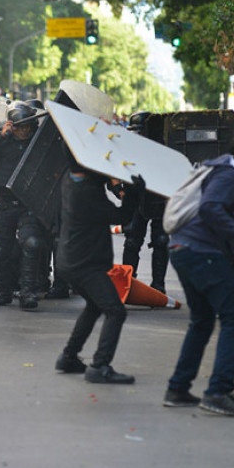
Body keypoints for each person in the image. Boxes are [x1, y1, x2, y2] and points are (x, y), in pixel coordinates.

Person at [163, 132, 234, 416]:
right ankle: (218, 392)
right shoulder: (232, 175)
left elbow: (208, 221)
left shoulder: (215, 168)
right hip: (201, 252)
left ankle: (177, 388)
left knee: (202, 320)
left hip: (183, 248)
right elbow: (210, 209)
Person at [55, 161, 143, 383]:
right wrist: (133, 194)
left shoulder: (69, 179)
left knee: (95, 306)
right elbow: (121, 217)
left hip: (70, 260)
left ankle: (68, 357)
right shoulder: (86, 193)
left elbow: (98, 178)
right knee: (115, 311)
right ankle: (99, 366)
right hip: (85, 265)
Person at [0, 103, 46, 310]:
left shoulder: (36, 141)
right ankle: (3, 292)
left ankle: (27, 292)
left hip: (28, 203)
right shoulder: (1, 138)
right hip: (6, 204)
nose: (24, 131)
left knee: (31, 243)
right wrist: (1, 137)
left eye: (27, 127)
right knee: (1, 251)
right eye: (20, 127)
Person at [120, 111, 170, 293]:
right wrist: (120, 191)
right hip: (136, 199)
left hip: (158, 199)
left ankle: (158, 285)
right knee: (132, 241)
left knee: (161, 241)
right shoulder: (128, 149)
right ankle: (127, 283)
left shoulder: (164, 149)